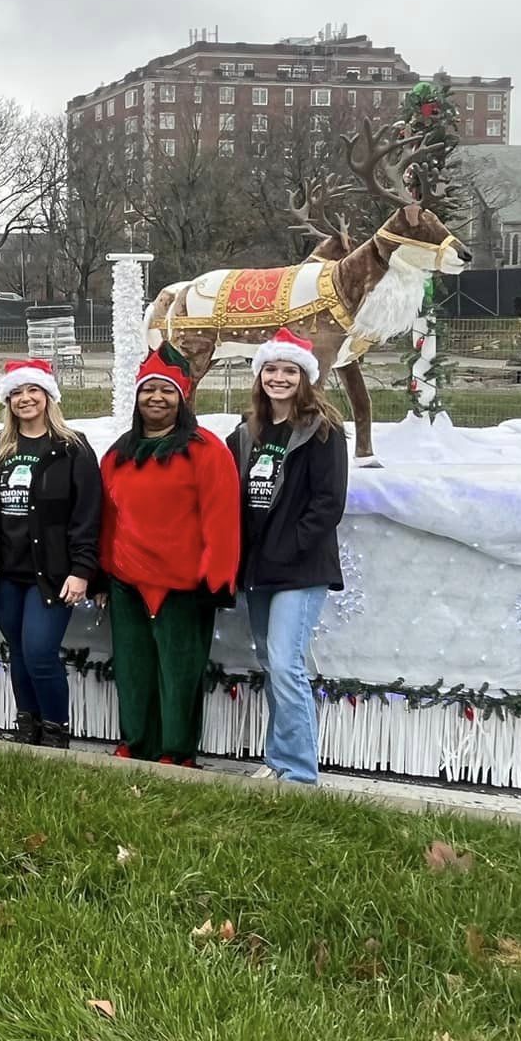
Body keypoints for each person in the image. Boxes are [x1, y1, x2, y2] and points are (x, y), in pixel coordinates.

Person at [97, 344, 240, 764]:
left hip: (184, 585)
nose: (156, 398)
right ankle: (136, 742)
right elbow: (107, 519)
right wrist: (104, 574)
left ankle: (177, 752)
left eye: (166, 391)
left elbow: (222, 519)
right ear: (136, 398)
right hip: (128, 582)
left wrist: (217, 579)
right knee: (134, 670)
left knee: (179, 674)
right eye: (147, 391)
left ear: (182, 397)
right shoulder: (118, 454)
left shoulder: (206, 450)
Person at [224, 327, 348, 783]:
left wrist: (289, 545)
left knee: (285, 663)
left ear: (304, 377)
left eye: (289, 370)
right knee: (270, 663)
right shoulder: (246, 432)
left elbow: (328, 503)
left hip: (298, 569)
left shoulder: (323, 430)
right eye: (271, 369)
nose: (279, 377)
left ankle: (299, 773)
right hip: (257, 569)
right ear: (259, 376)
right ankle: (278, 761)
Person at [0, 359, 102, 750]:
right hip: (4, 573)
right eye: (17, 393)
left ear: (47, 397)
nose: (25, 399)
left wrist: (82, 570)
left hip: (53, 574)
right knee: (19, 652)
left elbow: (88, 513)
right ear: (7, 400)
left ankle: (56, 730)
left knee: (40, 652)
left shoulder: (72, 447)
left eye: (32, 391)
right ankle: (28, 728)